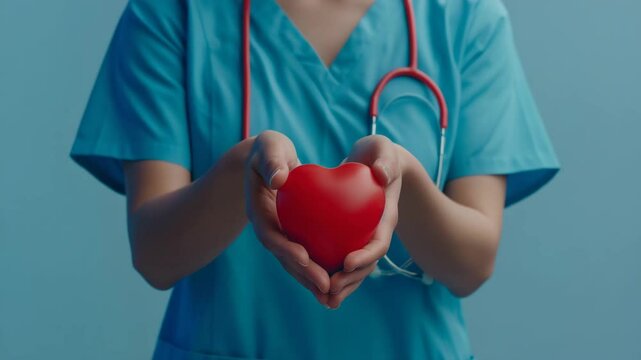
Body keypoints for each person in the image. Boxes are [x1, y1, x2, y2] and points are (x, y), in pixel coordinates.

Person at [70, 0, 560, 358]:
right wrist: (241, 173)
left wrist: (405, 181)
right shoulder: (168, 14)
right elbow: (154, 257)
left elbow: (473, 264)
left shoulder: (467, 18)